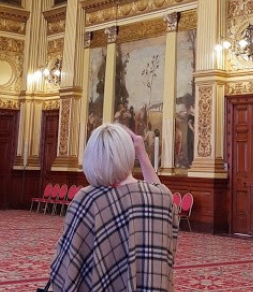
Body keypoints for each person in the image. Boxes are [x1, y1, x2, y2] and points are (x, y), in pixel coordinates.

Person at [49, 123, 178, 292]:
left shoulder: (88, 199)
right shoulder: (160, 197)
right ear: (129, 154)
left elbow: (68, 261)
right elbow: (157, 188)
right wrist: (142, 153)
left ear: (92, 157)